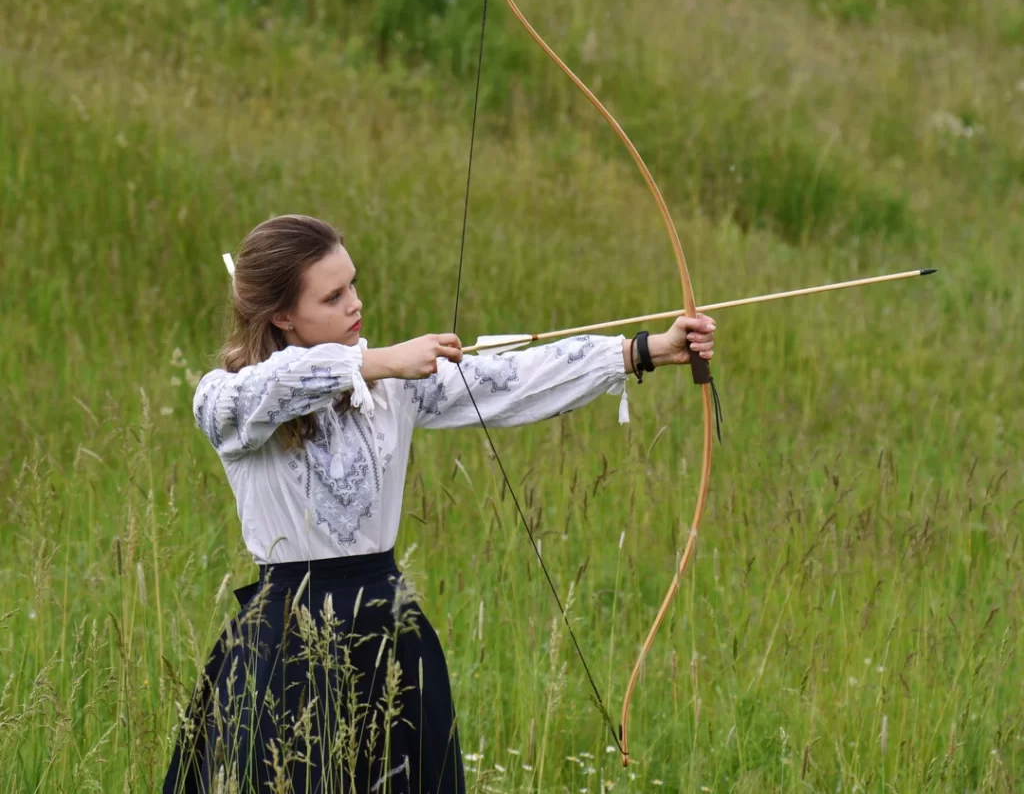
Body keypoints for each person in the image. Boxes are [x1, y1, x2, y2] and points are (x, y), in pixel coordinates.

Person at [163, 214, 716, 793]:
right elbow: (270, 386)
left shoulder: (394, 382)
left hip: (390, 637)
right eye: (332, 296)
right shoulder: (227, 399)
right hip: (288, 645)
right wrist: (382, 363)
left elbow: (511, 377)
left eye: (352, 284)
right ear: (281, 315)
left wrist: (646, 349)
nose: (355, 303)